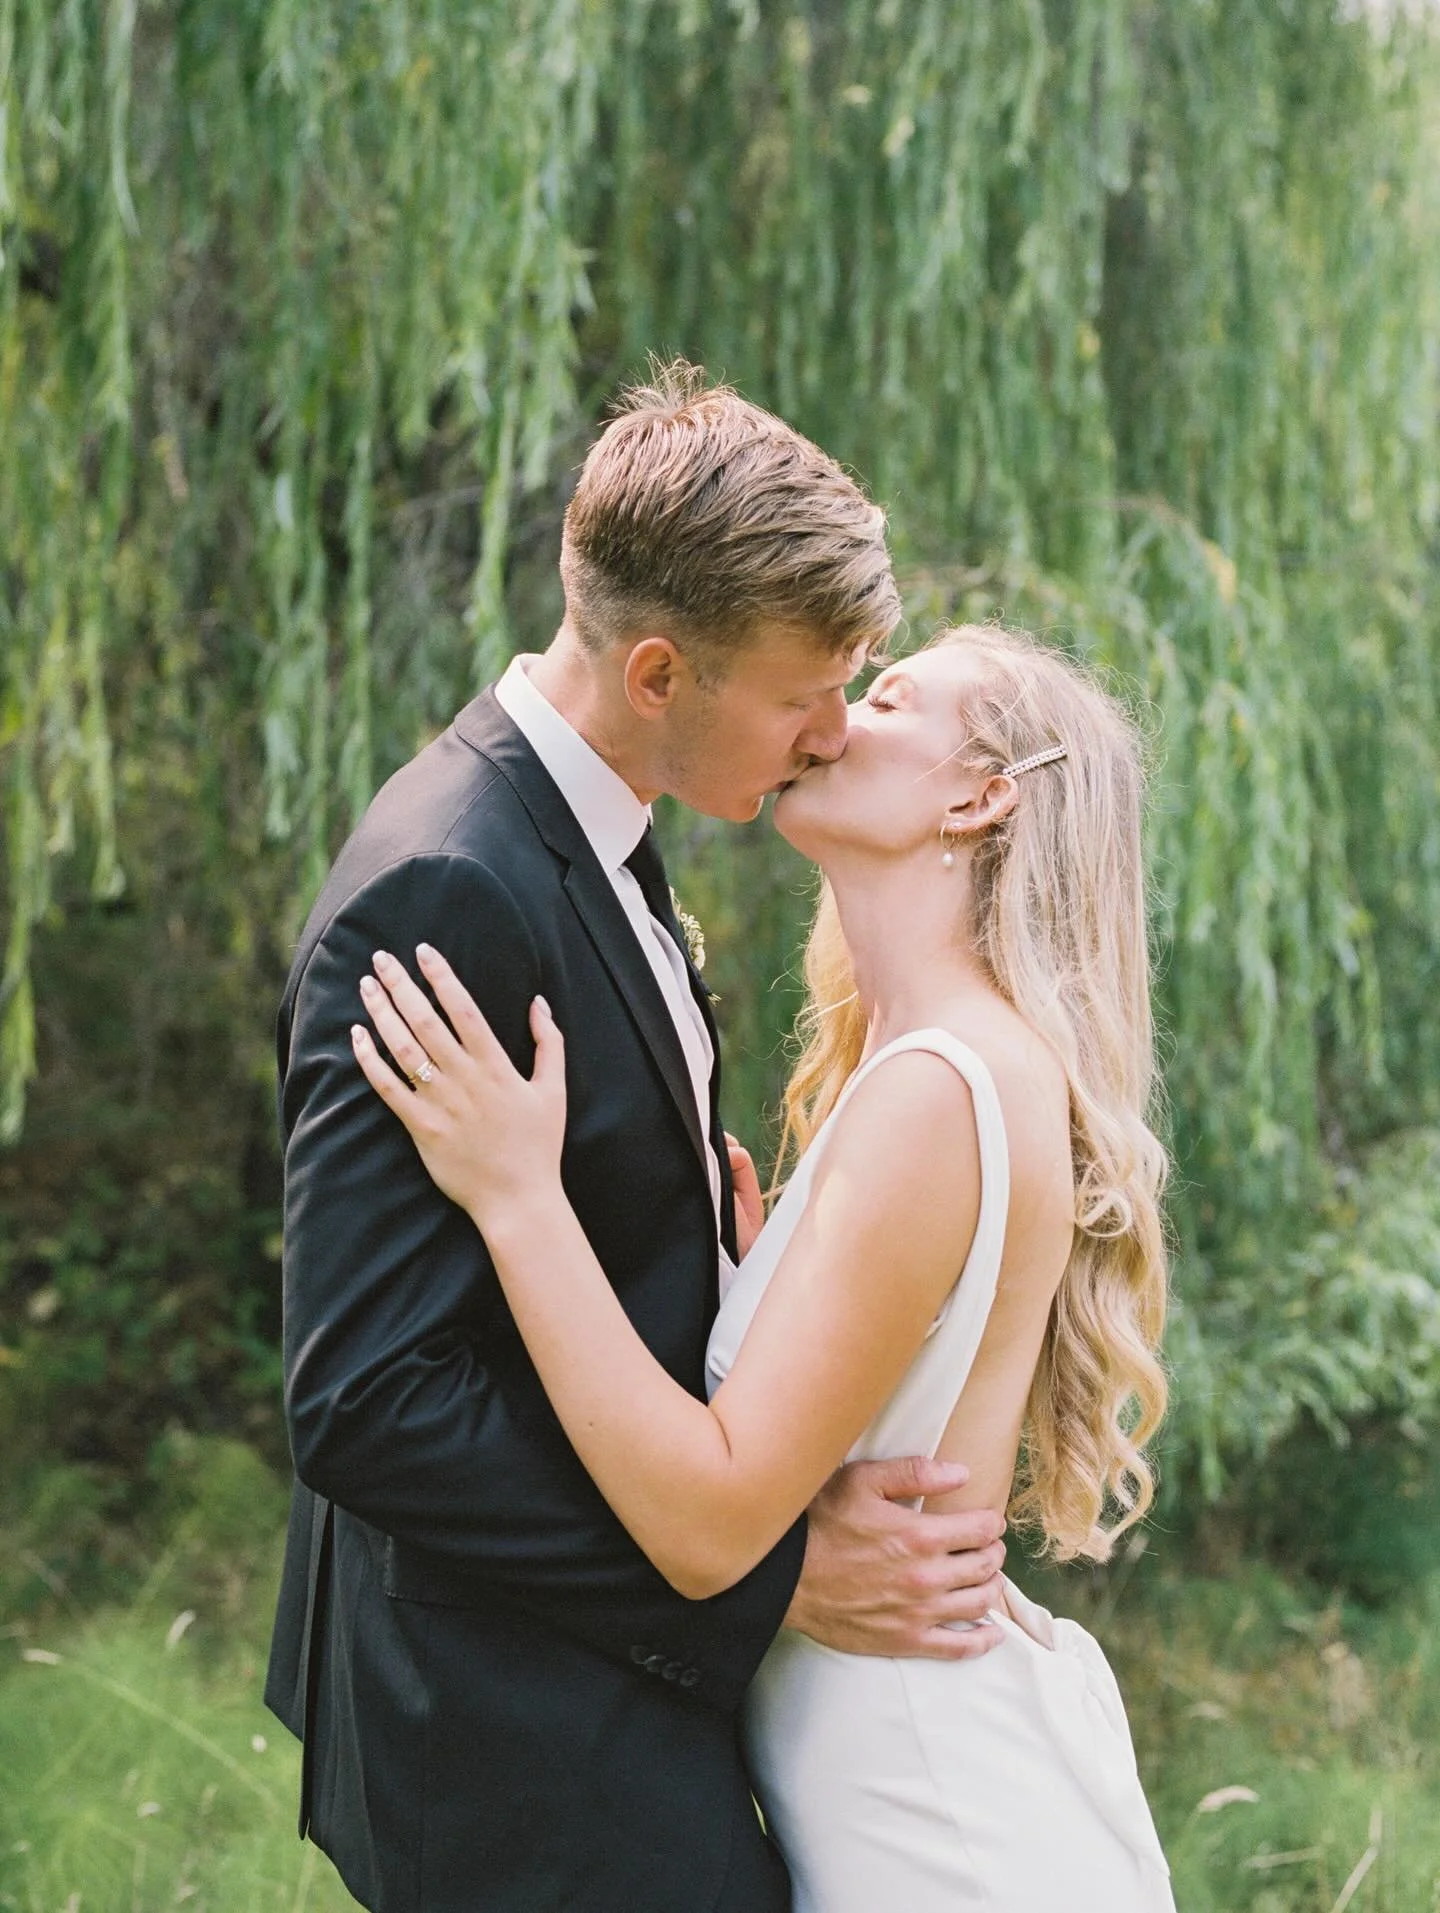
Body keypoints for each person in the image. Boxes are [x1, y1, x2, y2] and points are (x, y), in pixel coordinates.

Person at [264, 365, 1011, 1913]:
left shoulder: (594, 829)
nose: (829, 733)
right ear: (661, 673)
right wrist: (766, 1583)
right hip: (507, 1727)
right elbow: (368, 1399)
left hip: (590, 1693)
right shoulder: (449, 888)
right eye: (807, 694)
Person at [353, 620, 1178, 1911]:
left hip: (936, 1831)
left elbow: (707, 1525)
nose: (835, 721)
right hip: (900, 1795)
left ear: (979, 797)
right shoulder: (947, 1063)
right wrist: (758, 1289)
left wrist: (517, 1196)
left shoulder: (937, 1087)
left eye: (889, 701)